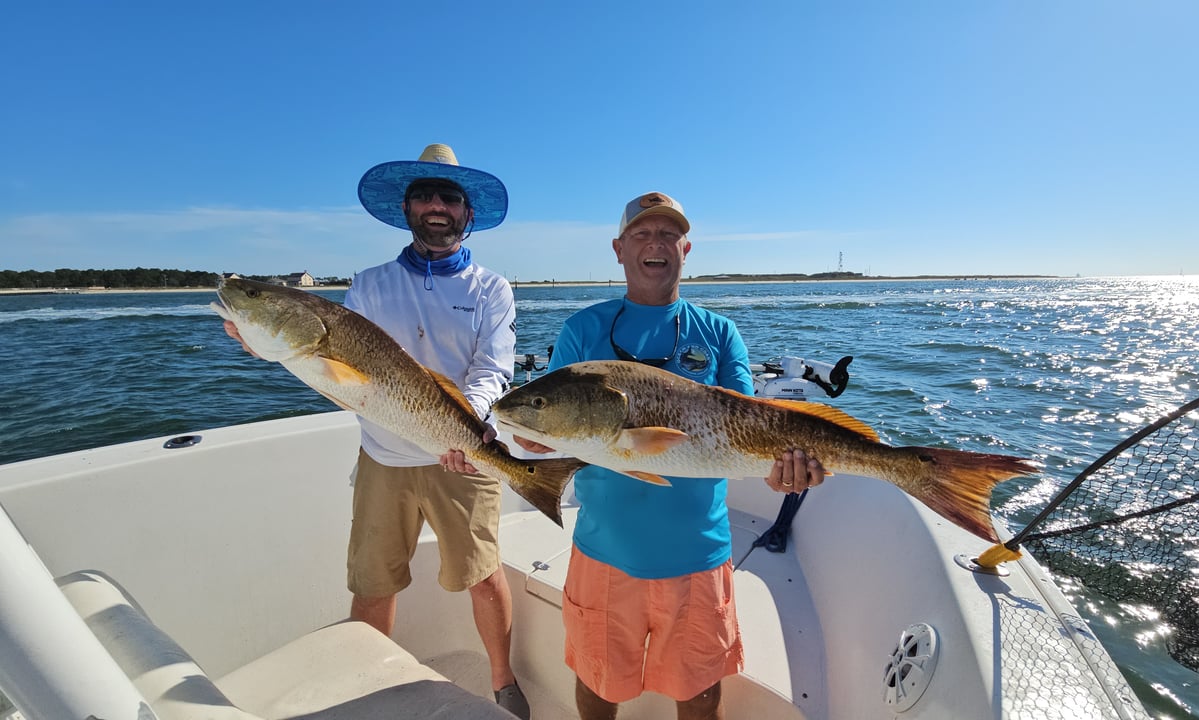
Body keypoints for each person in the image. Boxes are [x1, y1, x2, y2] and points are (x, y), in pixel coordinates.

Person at [223, 143, 529, 719]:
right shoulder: (368, 284)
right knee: (373, 582)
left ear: (467, 213)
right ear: (407, 208)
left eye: (448, 196)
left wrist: (472, 425)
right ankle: (368, 687)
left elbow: (494, 368)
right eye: (423, 195)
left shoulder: (492, 289)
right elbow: (341, 374)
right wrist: (271, 349)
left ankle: (503, 680)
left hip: (465, 454)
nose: (435, 205)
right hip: (383, 456)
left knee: (484, 577)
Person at [513, 192, 825, 720]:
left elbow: (751, 428)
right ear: (618, 248)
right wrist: (539, 435)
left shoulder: (720, 334)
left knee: (701, 695)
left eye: (666, 235)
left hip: (698, 556)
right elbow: (552, 425)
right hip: (602, 553)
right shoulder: (582, 331)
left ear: (686, 248)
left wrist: (784, 474)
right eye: (641, 234)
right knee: (597, 688)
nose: (654, 244)